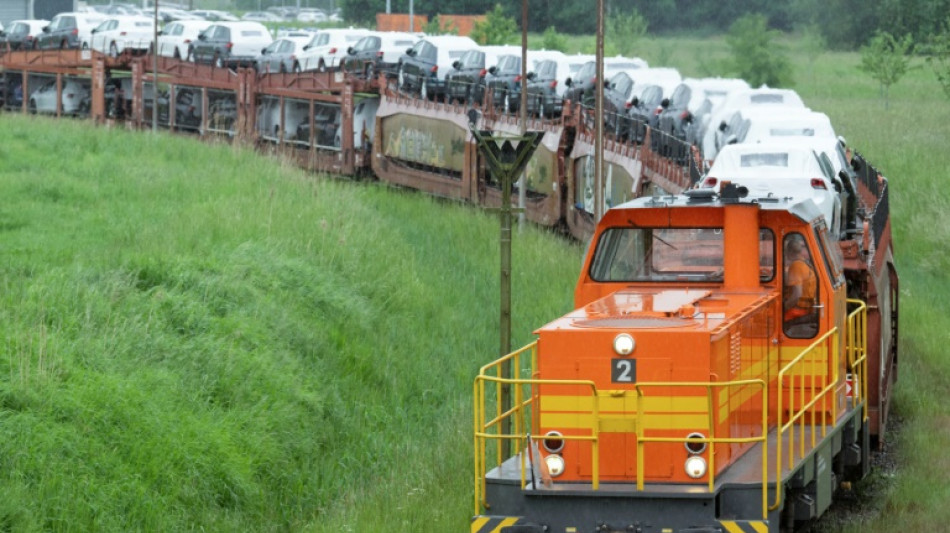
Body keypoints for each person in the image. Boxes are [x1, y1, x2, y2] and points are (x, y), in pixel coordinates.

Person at [783, 235, 816, 322]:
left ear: (789, 252)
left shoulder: (796, 266)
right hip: (807, 309)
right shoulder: (806, 264)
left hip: (796, 311)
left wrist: (784, 307)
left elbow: (797, 294)